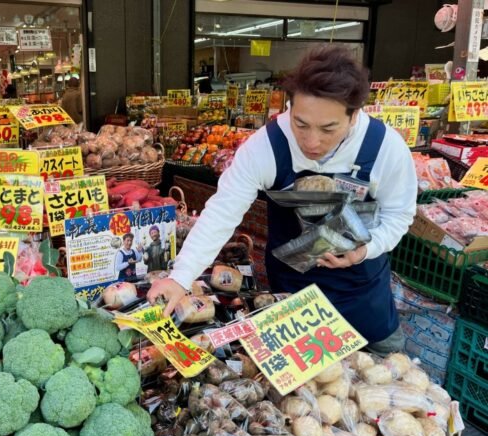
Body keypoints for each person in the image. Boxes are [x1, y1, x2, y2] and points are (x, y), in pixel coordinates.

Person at [148, 45, 417, 354]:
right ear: (290, 105)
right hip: (290, 296)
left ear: (355, 114)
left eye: (328, 129)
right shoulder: (265, 146)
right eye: (300, 124)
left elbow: (399, 214)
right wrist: (180, 278)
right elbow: (222, 213)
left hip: (360, 293)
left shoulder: (386, 148)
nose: (312, 141)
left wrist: (367, 249)